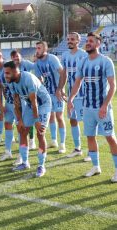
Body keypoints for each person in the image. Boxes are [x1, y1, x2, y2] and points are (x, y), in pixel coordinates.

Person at [68, 32, 117, 182]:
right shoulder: (83, 62)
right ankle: (96, 166)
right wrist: (70, 99)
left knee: (110, 138)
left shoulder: (105, 61)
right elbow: (77, 83)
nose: (88, 43)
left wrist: (105, 105)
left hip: (102, 108)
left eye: (91, 41)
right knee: (90, 136)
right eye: (87, 41)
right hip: (87, 107)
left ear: (98, 44)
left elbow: (112, 86)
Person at [4, 61, 52, 177]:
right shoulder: (11, 82)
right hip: (30, 106)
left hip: (43, 105)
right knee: (22, 130)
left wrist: (37, 121)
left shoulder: (28, 79)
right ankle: (25, 162)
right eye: (5, 73)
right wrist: (19, 120)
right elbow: (16, 102)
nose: (5, 76)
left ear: (16, 71)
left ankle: (41, 166)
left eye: (8, 73)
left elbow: (35, 102)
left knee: (40, 133)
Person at [57, 32, 89, 160]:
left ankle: (90, 152)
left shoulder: (84, 55)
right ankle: (77, 149)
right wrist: (61, 88)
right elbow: (64, 74)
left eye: (72, 39)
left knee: (87, 123)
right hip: (71, 94)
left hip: (84, 94)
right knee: (73, 120)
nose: (69, 41)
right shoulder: (64, 55)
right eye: (68, 39)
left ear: (78, 41)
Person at [35, 41, 66, 153]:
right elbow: (39, 80)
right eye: (36, 48)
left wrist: (60, 89)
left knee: (59, 117)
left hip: (57, 92)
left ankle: (62, 144)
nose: (37, 50)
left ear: (45, 49)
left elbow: (63, 73)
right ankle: (54, 140)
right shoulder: (37, 63)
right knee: (51, 117)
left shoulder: (52, 59)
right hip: (47, 95)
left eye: (39, 48)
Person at [0, 47, 16, 161]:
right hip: (9, 102)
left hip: (19, 102)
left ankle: (22, 157)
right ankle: (8, 152)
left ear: (0, 56)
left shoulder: (9, 66)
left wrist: (19, 104)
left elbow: (18, 84)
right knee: (8, 124)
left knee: (21, 128)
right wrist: (0, 105)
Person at [10, 50, 36, 150]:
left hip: (28, 96)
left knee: (29, 119)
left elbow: (35, 67)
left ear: (20, 56)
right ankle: (23, 137)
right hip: (18, 96)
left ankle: (32, 141)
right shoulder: (12, 67)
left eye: (17, 56)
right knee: (19, 118)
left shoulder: (26, 64)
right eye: (13, 57)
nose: (16, 58)